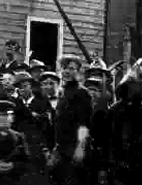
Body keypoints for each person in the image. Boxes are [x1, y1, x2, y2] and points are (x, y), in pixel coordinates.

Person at [101, 69, 142, 185]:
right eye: (141, 84)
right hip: (119, 167)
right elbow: (108, 140)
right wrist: (106, 167)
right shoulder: (115, 110)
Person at [50, 54, 92, 185]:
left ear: (78, 72)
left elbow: (84, 124)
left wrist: (80, 148)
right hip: (61, 148)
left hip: (74, 148)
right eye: (64, 68)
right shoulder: (62, 92)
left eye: (71, 68)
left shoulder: (82, 93)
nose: (67, 71)